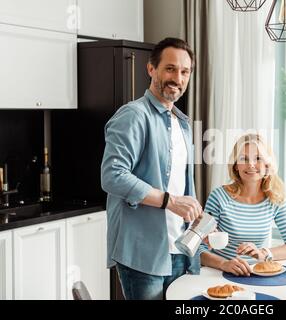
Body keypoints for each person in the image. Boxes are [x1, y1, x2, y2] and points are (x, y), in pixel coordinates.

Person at [101, 38, 203, 300]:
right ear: (151, 69)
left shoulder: (182, 123)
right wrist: (170, 202)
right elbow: (112, 176)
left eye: (184, 71)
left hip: (180, 249)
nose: (177, 78)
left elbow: (178, 184)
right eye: (169, 69)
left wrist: (194, 218)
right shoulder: (133, 115)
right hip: (144, 253)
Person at [199, 133, 286, 276]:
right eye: (244, 158)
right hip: (220, 273)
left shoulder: (274, 198)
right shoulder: (219, 197)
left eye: (258, 158)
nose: (251, 164)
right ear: (236, 165)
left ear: (268, 164)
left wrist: (264, 253)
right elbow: (198, 248)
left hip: (256, 275)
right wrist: (224, 264)